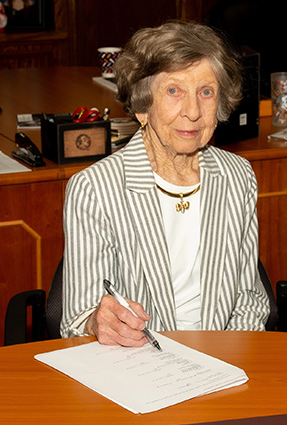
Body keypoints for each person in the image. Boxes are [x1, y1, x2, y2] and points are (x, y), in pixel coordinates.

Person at [61, 21, 271, 345]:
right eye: (174, 91)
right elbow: (76, 321)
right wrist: (96, 321)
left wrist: (232, 363)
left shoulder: (237, 177)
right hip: (137, 365)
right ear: (143, 106)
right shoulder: (94, 190)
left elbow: (249, 300)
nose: (192, 111)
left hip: (223, 359)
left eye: (206, 92)